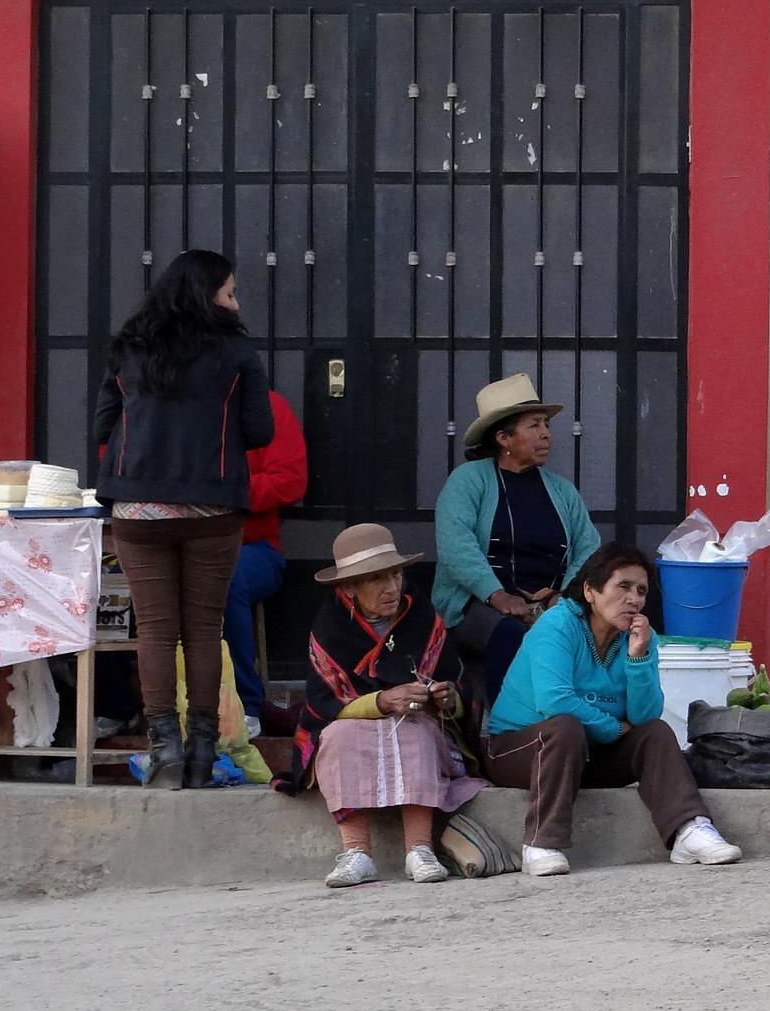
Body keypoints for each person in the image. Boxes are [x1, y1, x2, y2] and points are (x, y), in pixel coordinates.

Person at [95, 250, 273, 791]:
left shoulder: (129, 348)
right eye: (231, 292)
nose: (236, 302)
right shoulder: (236, 352)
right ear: (207, 294)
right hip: (210, 506)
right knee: (202, 630)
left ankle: (163, 751)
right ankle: (201, 751)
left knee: (154, 629)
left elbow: (104, 421)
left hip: (136, 505)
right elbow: (261, 431)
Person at [482, 544, 741, 876]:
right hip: (517, 750)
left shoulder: (640, 638)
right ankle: (542, 842)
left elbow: (645, 717)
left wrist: (638, 656)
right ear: (590, 590)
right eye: (623, 586)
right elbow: (555, 701)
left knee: (656, 733)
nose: (634, 599)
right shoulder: (557, 625)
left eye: (641, 591)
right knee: (564, 726)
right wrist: (613, 729)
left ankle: (688, 829)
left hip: (587, 755)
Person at [276, 524, 487, 888]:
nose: (391, 587)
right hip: (350, 723)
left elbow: (455, 681)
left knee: (416, 731)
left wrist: (447, 698)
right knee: (340, 736)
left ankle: (420, 850)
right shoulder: (329, 630)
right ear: (348, 588)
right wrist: (381, 702)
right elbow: (323, 703)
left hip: (417, 722)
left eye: (395, 573)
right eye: (375, 579)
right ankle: (356, 853)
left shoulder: (424, 619)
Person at [433, 374, 602, 705]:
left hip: (552, 604)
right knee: (511, 635)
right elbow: (456, 543)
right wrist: (497, 596)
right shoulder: (468, 482)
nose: (546, 434)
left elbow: (588, 545)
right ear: (503, 437)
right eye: (534, 425)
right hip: (478, 606)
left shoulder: (561, 490)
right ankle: (507, 734)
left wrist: (563, 596)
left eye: (547, 426)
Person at [225, 389, 309, 736]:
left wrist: (224, 492)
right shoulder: (163, 406)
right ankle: (121, 704)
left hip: (253, 546)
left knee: (226, 578)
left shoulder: (265, 405)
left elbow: (291, 480)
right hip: (173, 543)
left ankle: (246, 704)